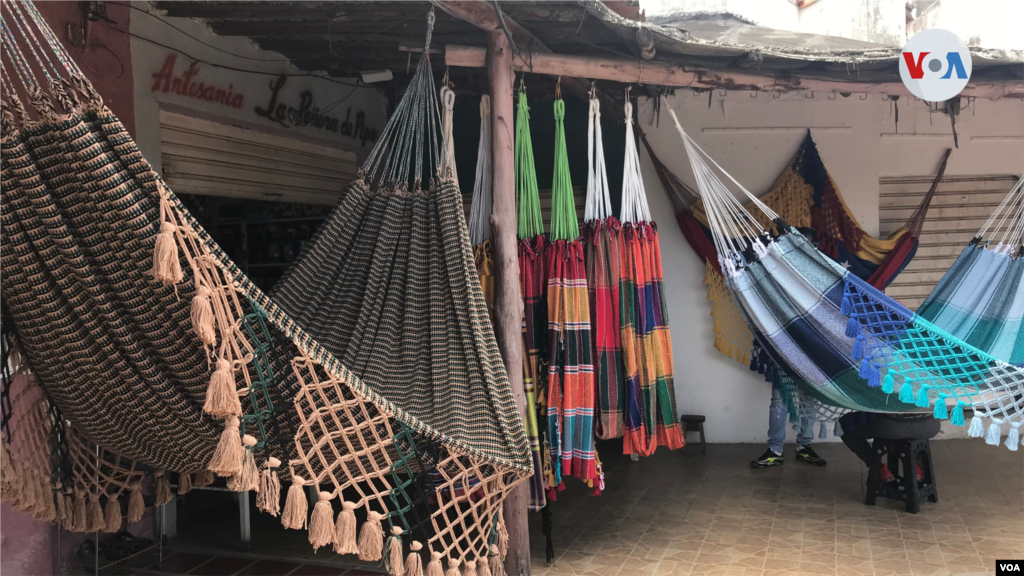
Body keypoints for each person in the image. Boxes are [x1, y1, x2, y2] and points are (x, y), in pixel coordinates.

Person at [750, 386, 827, 468]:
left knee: (809, 401)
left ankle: (804, 446)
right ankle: (775, 450)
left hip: (811, 373)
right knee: (778, 401)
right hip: (783, 373)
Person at [838, 412, 927, 482]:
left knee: (843, 425)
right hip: (929, 425)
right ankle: (917, 467)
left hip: (890, 425)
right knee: (914, 424)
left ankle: (878, 468)